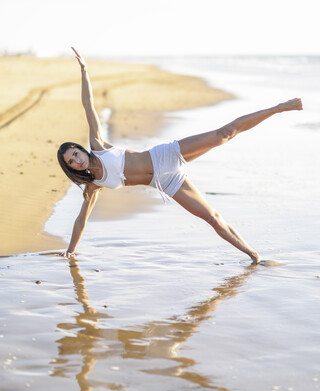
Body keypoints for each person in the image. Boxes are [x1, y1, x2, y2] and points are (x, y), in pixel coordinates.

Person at [57, 47, 303, 263]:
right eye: (71, 162)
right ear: (72, 168)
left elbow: (88, 105)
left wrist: (84, 71)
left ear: (81, 149)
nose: (76, 160)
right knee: (212, 218)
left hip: (164, 156)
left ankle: (280, 108)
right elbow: (81, 221)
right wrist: (70, 251)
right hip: (166, 182)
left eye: (75, 153)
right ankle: (254, 256)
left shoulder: (98, 145)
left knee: (224, 134)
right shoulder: (93, 186)